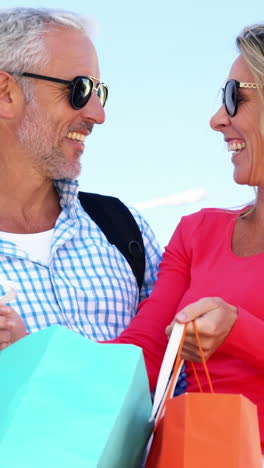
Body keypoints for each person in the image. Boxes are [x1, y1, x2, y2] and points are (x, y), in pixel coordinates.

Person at [107, 23, 264, 458]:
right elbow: (143, 353)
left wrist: (239, 330)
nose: (217, 119)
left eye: (236, 96)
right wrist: (37, 349)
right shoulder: (197, 232)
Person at [0, 7, 161, 349]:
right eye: (79, 89)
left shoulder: (126, 230)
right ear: (5, 93)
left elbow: (173, 379)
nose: (97, 115)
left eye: (98, 93)